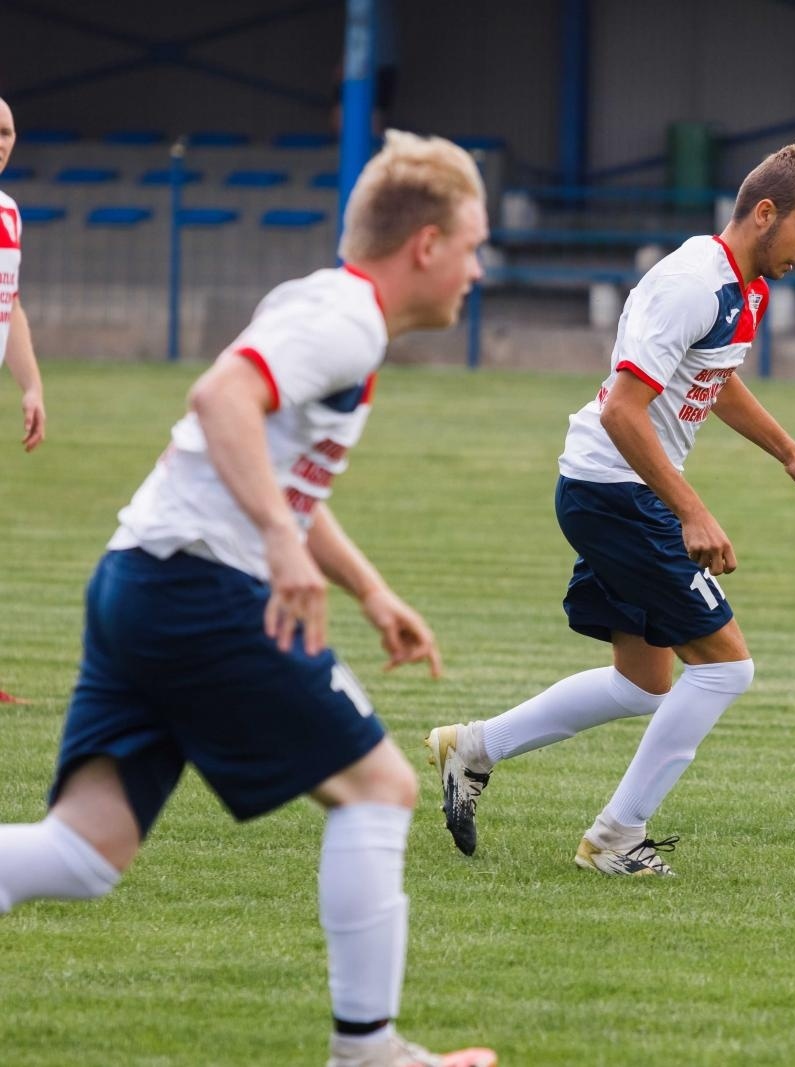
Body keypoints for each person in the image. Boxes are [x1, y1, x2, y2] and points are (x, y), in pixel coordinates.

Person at [0, 130, 496, 1067]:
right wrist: (275, 541)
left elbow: (278, 476)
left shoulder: (330, 310)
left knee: (85, 851)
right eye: (471, 247)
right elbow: (220, 397)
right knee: (382, 789)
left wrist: (369, 587)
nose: (478, 270)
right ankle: (369, 1051)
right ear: (425, 245)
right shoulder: (345, 319)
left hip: (136, 579)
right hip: (196, 589)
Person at [425, 144, 795, 877]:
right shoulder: (692, 283)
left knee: (644, 682)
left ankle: (473, 748)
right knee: (725, 667)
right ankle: (617, 835)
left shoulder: (744, 290)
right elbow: (623, 408)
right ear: (765, 212)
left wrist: (792, 457)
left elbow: (716, 379)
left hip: (611, 491)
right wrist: (691, 511)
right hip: (616, 491)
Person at [0, 95, 48, 705]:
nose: (0, 140)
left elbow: (8, 303)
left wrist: (31, 384)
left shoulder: (8, 212)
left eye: (7, 130)